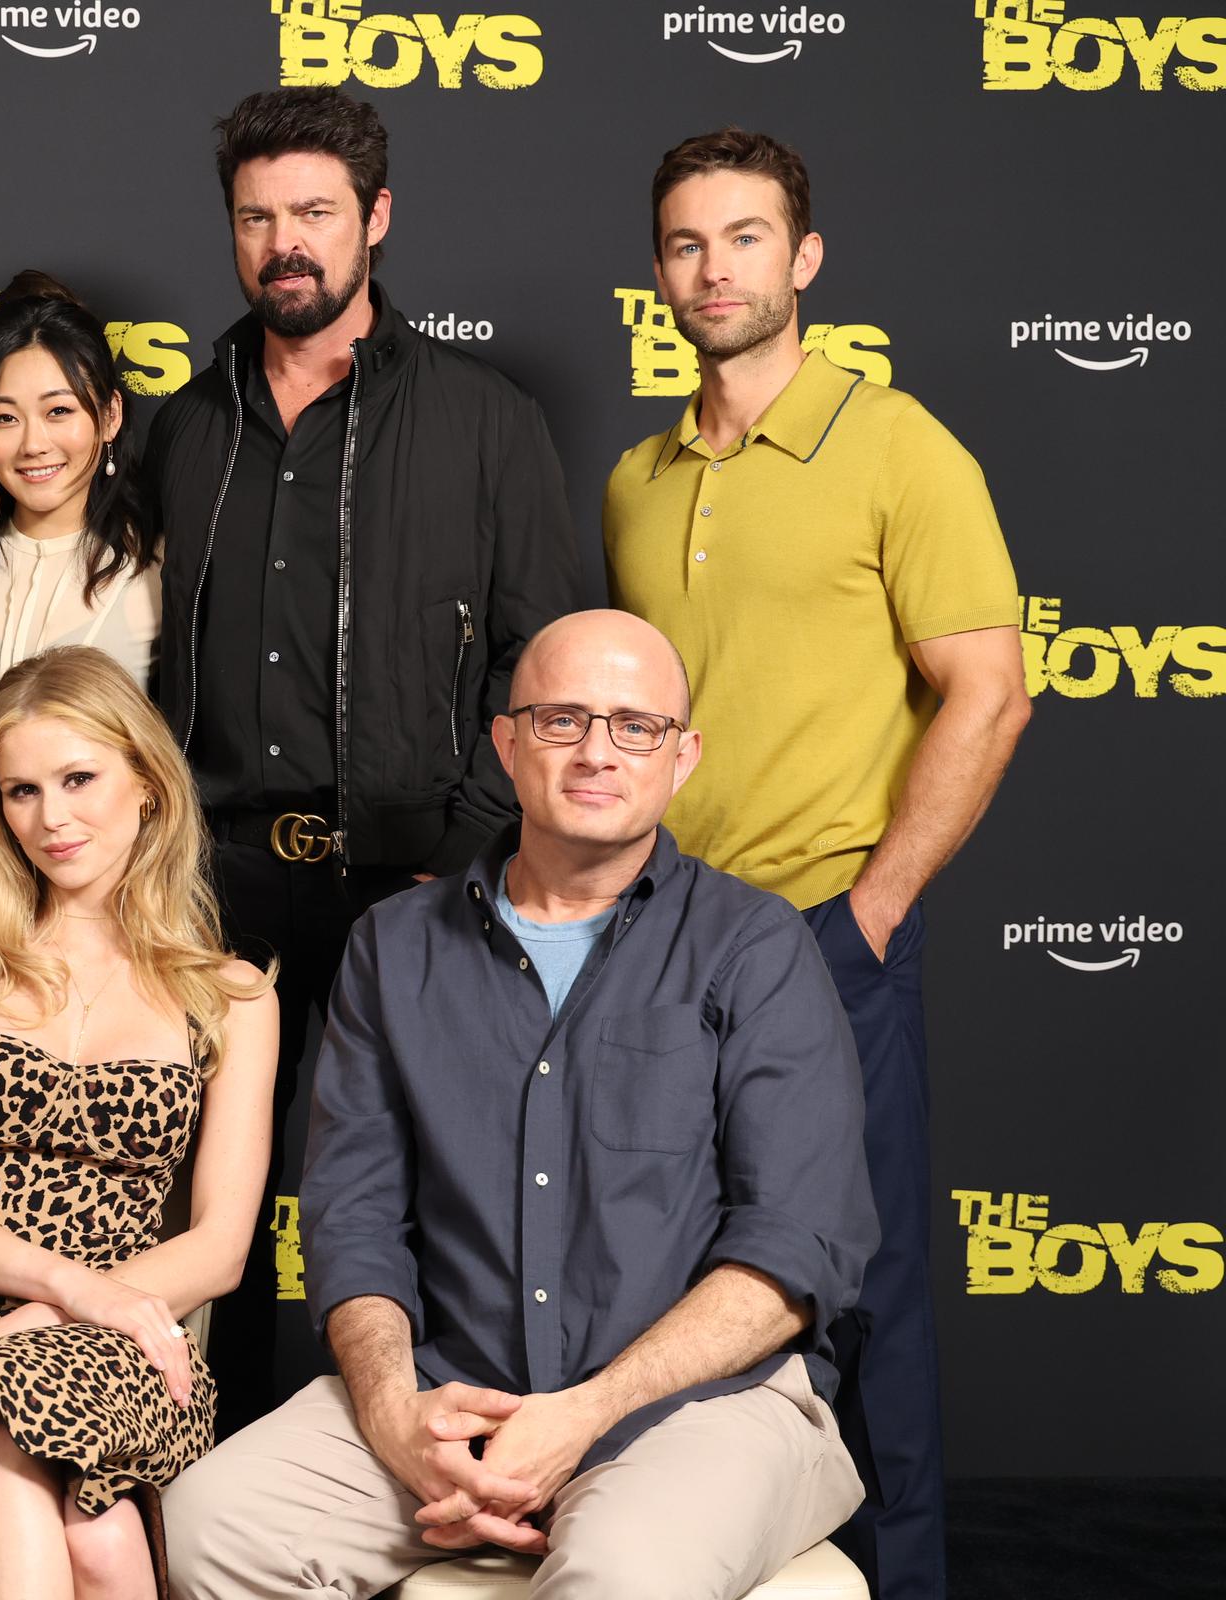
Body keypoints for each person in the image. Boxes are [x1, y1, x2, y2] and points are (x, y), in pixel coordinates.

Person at [166, 610, 877, 1600]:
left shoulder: (754, 946)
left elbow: (795, 1247)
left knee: (618, 1575)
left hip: (697, 1408)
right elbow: (355, 1220)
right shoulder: (393, 944)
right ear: (506, 742)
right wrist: (392, 1414)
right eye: (561, 720)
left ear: (683, 756)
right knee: (213, 1523)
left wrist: (583, 1414)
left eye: (636, 726)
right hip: (453, 1388)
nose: (597, 751)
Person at [603, 127, 1031, 1600]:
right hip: (662, 947)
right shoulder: (636, 479)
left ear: (805, 259)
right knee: (682, 1292)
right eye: (683, 243)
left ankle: (899, 1584)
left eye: (743, 237)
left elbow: (989, 687)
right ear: (657, 270)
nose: (712, 268)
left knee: (869, 1292)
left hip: (828, 936)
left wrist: (877, 908)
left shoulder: (899, 445)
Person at [144, 84, 580, 1430]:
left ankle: (413, 1497)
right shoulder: (186, 419)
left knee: (400, 1209)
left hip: (407, 880)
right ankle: (187, 1503)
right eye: (258, 215)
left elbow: (546, 658)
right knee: (196, 1213)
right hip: (208, 890)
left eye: (315, 213)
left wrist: (454, 854)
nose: (286, 241)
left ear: (376, 220)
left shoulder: (482, 420)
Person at [0, 646, 277, 1599]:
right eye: (20, 792)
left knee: (20, 1458)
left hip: (127, 1338)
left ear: (148, 785)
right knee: (96, 1541)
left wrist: (51, 1317)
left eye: (79, 779)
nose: (52, 819)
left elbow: (218, 1251)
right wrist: (37, 1303)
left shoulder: (232, 995)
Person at [0, 271, 162, 928]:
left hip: (108, 909)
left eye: (59, 411)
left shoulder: (159, 566)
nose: (33, 444)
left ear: (110, 415)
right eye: (5, 418)